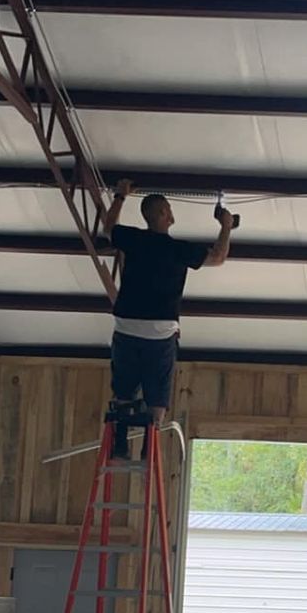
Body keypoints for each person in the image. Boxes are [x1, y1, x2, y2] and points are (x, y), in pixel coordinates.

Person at [107, 178, 235, 457]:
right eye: (167, 208)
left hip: (127, 325)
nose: (170, 211)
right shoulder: (178, 250)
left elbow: (108, 228)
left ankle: (119, 439)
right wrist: (225, 227)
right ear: (164, 215)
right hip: (160, 331)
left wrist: (119, 197)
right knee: (158, 390)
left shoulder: (134, 239)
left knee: (124, 387)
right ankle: (147, 447)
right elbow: (219, 257)